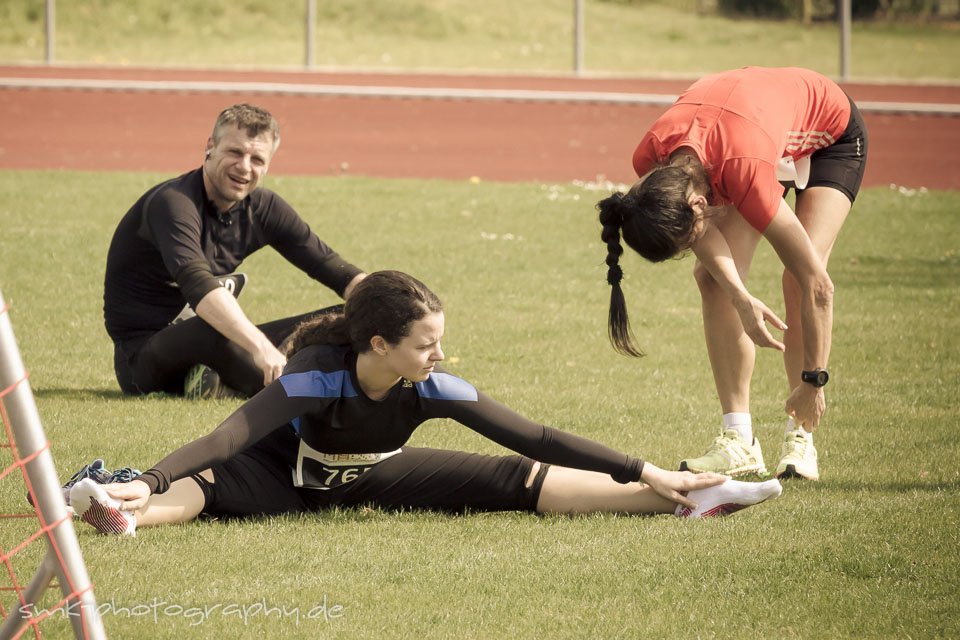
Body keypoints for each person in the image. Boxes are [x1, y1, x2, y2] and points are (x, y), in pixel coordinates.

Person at [70, 271, 782, 536]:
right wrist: (153, 480)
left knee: (514, 483)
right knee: (204, 487)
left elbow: (534, 436)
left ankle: (694, 499)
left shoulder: (430, 388)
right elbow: (230, 436)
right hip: (275, 478)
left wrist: (646, 468)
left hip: (372, 474)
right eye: (424, 344)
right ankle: (117, 508)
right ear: (377, 344)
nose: (438, 356)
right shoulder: (319, 376)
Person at [597, 66, 868, 481]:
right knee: (713, 281)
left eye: (687, 240)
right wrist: (742, 299)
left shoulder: (742, 170)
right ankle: (739, 441)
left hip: (829, 136)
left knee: (799, 276)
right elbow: (702, 241)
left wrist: (814, 381)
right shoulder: (652, 165)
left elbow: (820, 287)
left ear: (700, 206)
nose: (690, 248)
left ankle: (801, 437)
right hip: (750, 134)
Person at [103, 103, 366, 399]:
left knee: (352, 315)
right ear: (210, 147)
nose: (244, 167)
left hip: (216, 342)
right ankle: (308, 391)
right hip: (144, 358)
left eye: (257, 159)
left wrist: (399, 311)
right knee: (211, 329)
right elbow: (199, 286)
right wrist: (261, 348)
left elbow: (333, 268)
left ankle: (222, 381)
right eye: (235, 152)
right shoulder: (174, 203)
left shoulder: (264, 208)